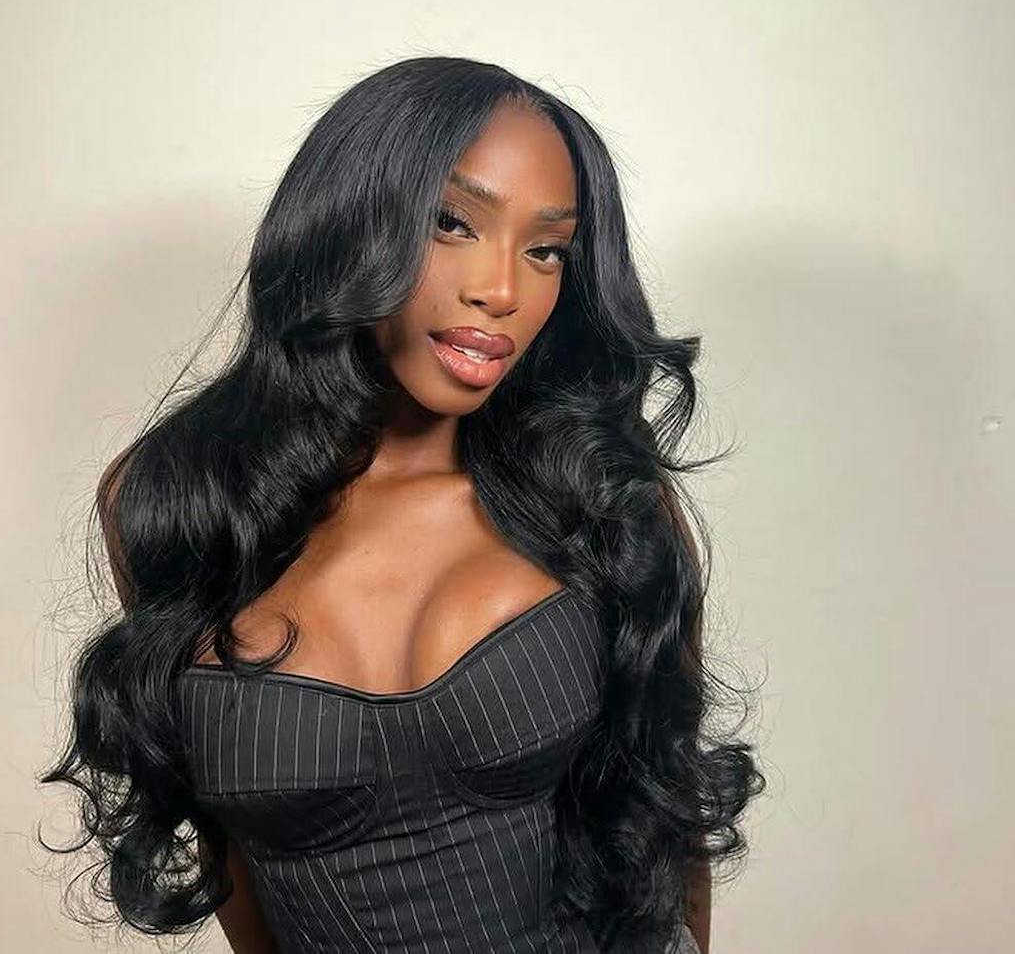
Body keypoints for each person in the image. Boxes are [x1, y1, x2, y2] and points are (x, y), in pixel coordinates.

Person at [38, 57, 764, 952]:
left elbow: (667, 808)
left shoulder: (601, 497)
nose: (501, 289)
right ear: (350, 217)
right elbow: (224, 846)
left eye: (545, 249)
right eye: (453, 222)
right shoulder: (173, 505)